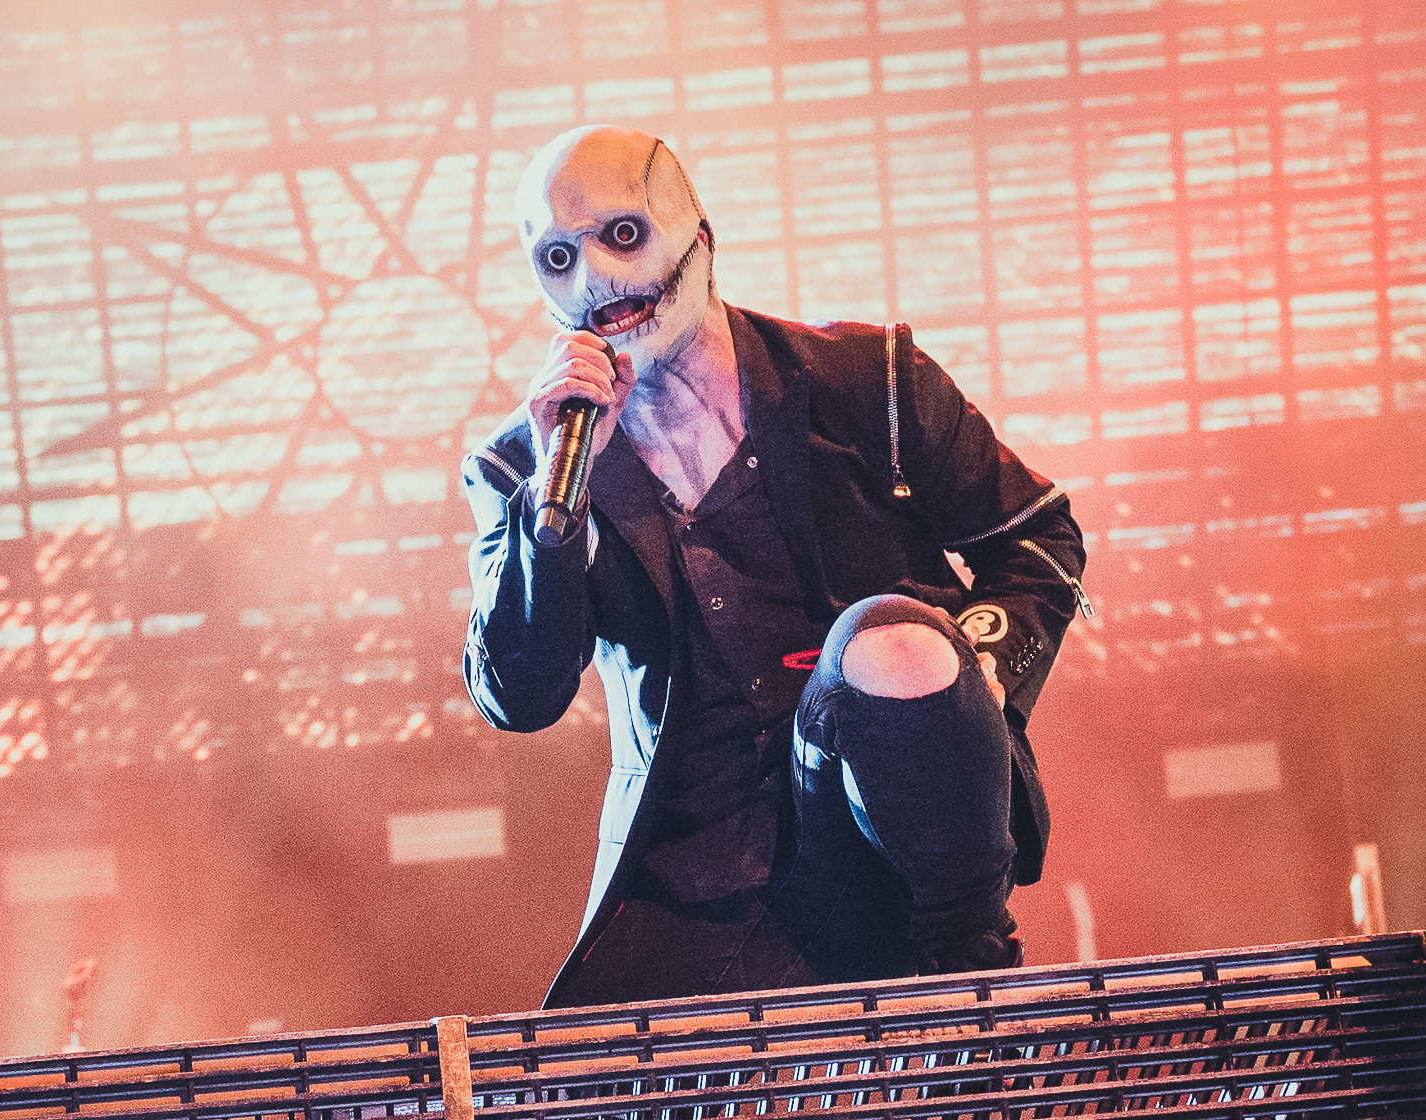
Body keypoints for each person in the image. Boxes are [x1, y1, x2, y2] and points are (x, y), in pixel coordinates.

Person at [462, 125, 1090, 1008]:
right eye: (558, 257)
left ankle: (967, 967)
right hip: (695, 881)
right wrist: (550, 512)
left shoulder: (869, 382)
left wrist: (975, 670)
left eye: (624, 235)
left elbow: (1037, 538)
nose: (595, 278)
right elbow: (519, 695)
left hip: (886, 835)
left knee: (888, 643)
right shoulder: (524, 463)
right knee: (576, 1087)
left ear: (699, 238)